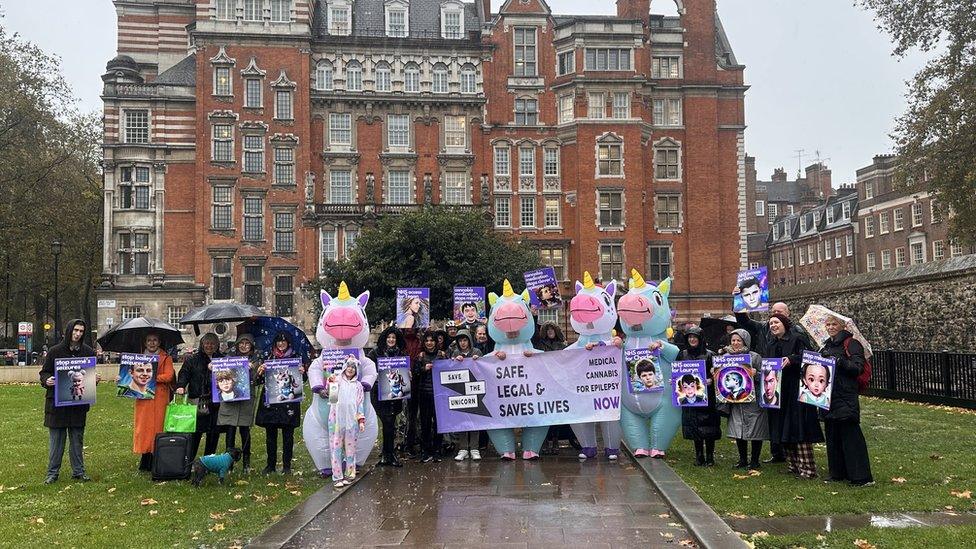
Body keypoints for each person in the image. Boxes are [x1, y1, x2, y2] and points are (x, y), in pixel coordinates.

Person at [733, 293, 813, 464]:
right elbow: (745, 322)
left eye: (780, 313)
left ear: (787, 315)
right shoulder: (765, 328)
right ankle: (778, 452)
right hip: (769, 378)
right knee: (774, 416)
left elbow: (808, 356)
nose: (775, 318)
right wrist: (738, 299)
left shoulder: (797, 333)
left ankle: (791, 455)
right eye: (773, 314)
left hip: (790, 382)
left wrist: (791, 359)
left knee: (790, 418)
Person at [39, 319, 100, 484]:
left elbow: (89, 375)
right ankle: (52, 473)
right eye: (75, 330)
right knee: (56, 441)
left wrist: (95, 379)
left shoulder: (88, 351)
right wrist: (47, 380)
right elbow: (43, 373)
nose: (78, 334)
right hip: (57, 404)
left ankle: (79, 472)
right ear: (69, 331)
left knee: (77, 440)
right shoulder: (55, 351)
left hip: (78, 403)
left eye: (81, 331)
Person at [819, 315, 874, 486]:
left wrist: (840, 362)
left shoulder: (851, 343)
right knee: (833, 436)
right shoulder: (826, 345)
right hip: (828, 395)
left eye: (834, 324)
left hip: (845, 395)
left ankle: (860, 476)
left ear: (842, 326)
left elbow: (857, 368)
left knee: (851, 436)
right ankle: (837, 472)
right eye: (828, 324)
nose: (830, 327)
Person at [255, 332, 304, 475]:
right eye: (278, 342)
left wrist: (302, 372)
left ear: (288, 343)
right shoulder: (268, 358)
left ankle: (287, 465)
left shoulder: (295, 359)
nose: (281, 344)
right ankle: (270, 465)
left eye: (284, 342)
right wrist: (260, 372)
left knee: (288, 435)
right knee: (270, 435)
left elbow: (301, 382)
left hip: (289, 403)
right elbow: (258, 381)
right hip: (272, 403)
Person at [718, 329, 767, 470]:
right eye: (733, 340)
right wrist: (715, 372)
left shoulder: (755, 357)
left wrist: (756, 374)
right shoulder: (725, 357)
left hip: (753, 400)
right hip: (735, 401)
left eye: (739, 340)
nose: (735, 343)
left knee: (756, 429)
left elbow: (766, 376)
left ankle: (755, 460)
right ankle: (743, 459)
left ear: (745, 341)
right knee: (738, 430)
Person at [131, 332, 175, 472]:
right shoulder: (137, 358)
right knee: (143, 428)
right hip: (143, 397)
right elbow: (130, 375)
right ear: (145, 343)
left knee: (158, 427)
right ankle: (145, 457)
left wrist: (149, 377)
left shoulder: (166, 358)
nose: (152, 343)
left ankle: (157, 457)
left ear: (159, 342)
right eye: (149, 340)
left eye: (155, 340)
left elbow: (168, 376)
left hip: (159, 399)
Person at [678, 326, 721, 466]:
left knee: (709, 427)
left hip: (707, 397)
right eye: (690, 337)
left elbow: (719, 373)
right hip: (690, 397)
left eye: (695, 337)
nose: (692, 339)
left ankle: (710, 456)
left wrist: (711, 379)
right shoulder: (682, 354)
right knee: (694, 427)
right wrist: (675, 380)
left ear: (700, 339)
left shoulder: (710, 354)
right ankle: (699, 455)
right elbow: (678, 372)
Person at [176, 333, 223, 459]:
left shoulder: (223, 359)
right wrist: (181, 385)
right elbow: (184, 374)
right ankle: (189, 460)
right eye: (207, 343)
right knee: (195, 433)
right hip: (198, 399)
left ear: (217, 345)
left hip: (216, 401)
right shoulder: (192, 359)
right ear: (202, 344)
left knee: (214, 433)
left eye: (212, 343)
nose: (209, 346)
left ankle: (208, 461)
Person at [218, 334, 259, 473]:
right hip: (230, 398)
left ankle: (246, 462)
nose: (244, 346)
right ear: (237, 344)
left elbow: (258, 379)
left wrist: (254, 369)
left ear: (251, 346)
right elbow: (219, 373)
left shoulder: (255, 359)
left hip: (246, 398)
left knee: (244, 429)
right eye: (241, 343)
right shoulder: (228, 357)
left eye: (247, 343)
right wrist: (212, 366)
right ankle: (228, 462)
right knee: (230, 429)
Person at [367, 327, 407, 468]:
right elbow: (368, 370)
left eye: (393, 338)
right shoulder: (375, 353)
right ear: (384, 339)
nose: (391, 340)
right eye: (389, 337)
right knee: (387, 421)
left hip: (395, 393)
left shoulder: (400, 354)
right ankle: (388, 454)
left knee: (391, 422)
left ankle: (388, 454)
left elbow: (404, 371)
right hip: (379, 392)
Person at [328, 358, 367, 488]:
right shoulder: (337, 380)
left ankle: (350, 474)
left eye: (353, 367)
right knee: (336, 448)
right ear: (345, 367)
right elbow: (332, 397)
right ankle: (337, 476)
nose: (350, 369)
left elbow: (360, 404)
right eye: (348, 366)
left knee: (350, 450)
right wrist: (330, 382)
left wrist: (361, 420)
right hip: (336, 421)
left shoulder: (358, 386)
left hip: (352, 422)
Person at [449, 330, 483, 461]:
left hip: (474, 390)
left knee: (475, 419)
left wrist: (478, 361)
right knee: (462, 419)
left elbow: (484, 370)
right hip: (460, 391)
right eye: (460, 341)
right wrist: (453, 361)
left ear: (469, 340)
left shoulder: (477, 352)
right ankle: (463, 448)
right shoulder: (456, 353)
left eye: (465, 340)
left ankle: (474, 448)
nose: (463, 343)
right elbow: (450, 369)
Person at [414, 333, 445, 463]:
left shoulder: (442, 355)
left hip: (439, 394)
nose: (429, 343)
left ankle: (437, 450)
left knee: (439, 424)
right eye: (427, 341)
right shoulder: (420, 356)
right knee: (425, 423)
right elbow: (414, 373)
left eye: (432, 340)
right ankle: (425, 451)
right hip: (424, 394)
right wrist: (423, 368)